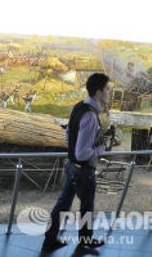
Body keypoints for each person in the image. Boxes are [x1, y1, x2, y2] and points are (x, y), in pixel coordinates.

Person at [41, 73, 112, 252]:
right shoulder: (90, 116)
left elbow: (68, 134)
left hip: (72, 167)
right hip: (83, 171)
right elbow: (82, 153)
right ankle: (85, 240)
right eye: (108, 90)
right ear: (98, 92)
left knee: (63, 204)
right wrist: (102, 148)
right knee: (86, 207)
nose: (110, 93)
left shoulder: (79, 106)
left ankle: (49, 240)